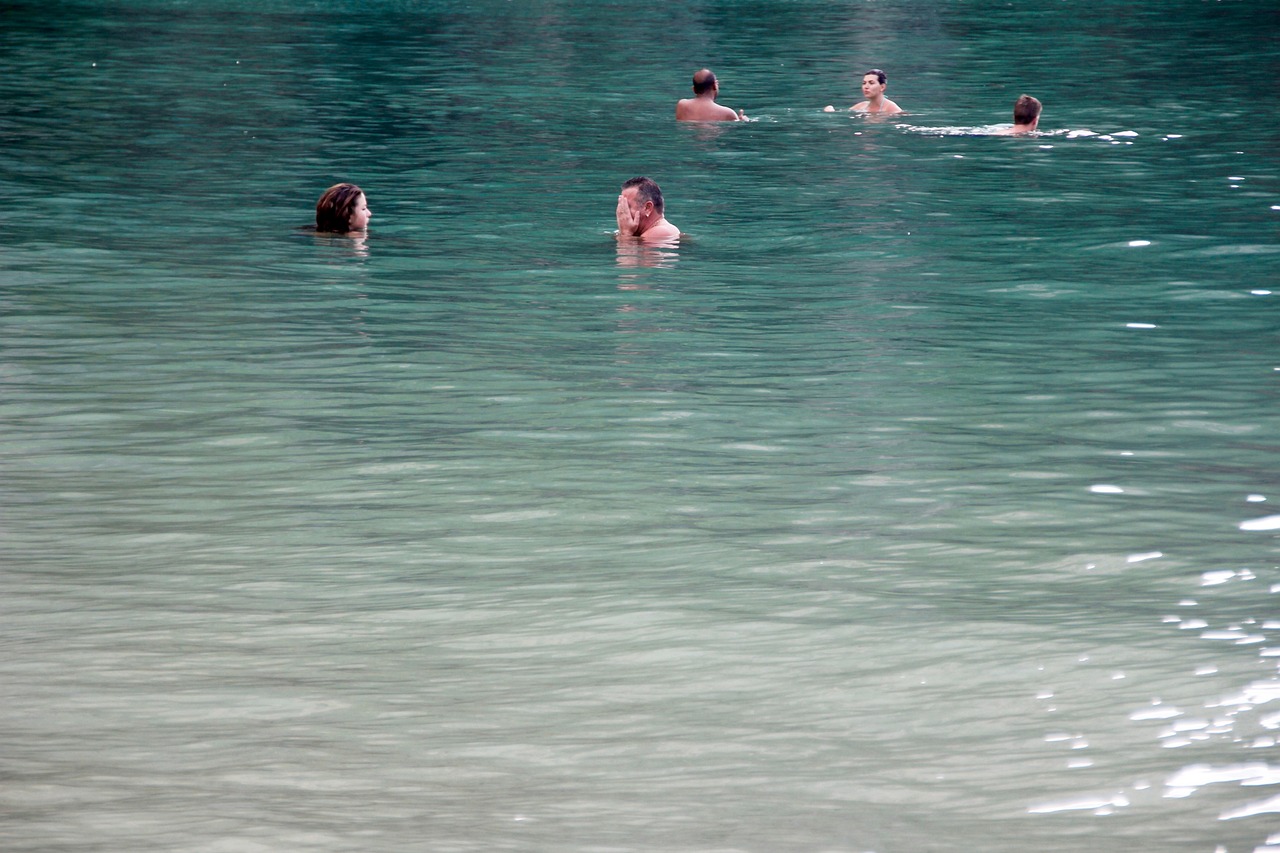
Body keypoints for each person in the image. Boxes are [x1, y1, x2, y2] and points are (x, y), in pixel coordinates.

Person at [615, 177, 680, 244]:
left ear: (647, 208)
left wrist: (625, 233)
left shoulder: (659, 232)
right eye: (622, 206)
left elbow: (627, 254)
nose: (621, 212)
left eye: (627, 207)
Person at [676, 68, 747, 122]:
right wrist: (742, 122)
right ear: (714, 86)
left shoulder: (681, 105)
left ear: (694, 89)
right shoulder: (728, 113)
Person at [824, 69, 903, 115]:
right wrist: (830, 111)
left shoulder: (891, 109)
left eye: (871, 83)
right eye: (864, 83)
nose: (866, 86)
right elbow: (841, 114)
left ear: (882, 87)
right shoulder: (861, 106)